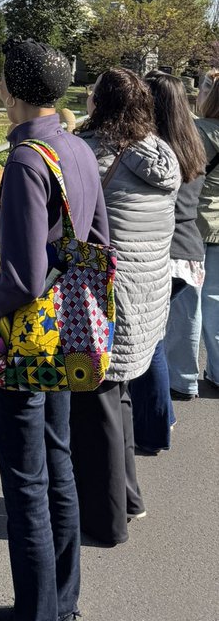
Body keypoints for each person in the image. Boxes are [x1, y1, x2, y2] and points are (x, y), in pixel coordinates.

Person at [0, 38, 108, 621]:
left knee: (26, 482)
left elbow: (21, 275)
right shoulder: (77, 149)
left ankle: (35, 612)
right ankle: (61, 605)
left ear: (12, 91)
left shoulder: (26, 161)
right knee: (58, 463)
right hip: (66, 332)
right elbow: (96, 245)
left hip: (22, 341)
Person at [70, 68, 179, 545]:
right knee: (118, 399)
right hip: (147, 295)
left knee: (96, 408)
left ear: (102, 103)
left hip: (107, 300)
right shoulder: (162, 154)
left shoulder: (96, 156)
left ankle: (106, 520)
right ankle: (129, 497)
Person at [131, 72, 205, 442]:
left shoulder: (153, 150)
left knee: (149, 343)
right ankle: (162, 412)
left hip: (163, 254)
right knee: (155, 337)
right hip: (190, 253)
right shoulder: (192, 143)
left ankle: (156, 425)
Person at [194, 69, 219, 392]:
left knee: (188, 305)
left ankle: (183, 376)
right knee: (216, 301)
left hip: (198, 224)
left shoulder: (199, 131)